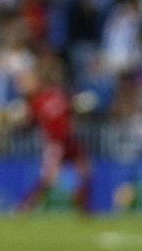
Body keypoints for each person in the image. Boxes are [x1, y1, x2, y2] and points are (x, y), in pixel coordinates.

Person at [16, 53, 93, 217]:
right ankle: (24, 207)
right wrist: (19, 125)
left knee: (85, 171)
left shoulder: (59, 93)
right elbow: (30, 123)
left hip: (69, 140)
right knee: (49, 179)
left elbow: (72, 110)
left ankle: (84, 211)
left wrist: (82, 106)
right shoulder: (35, 101)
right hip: (55, 143)